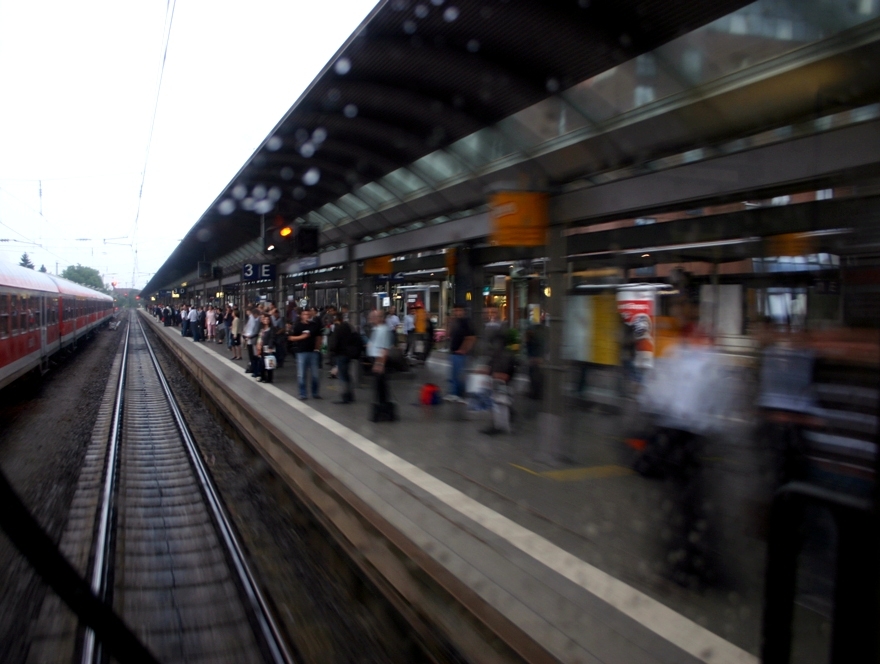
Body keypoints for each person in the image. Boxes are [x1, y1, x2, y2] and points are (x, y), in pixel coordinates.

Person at [367, 309, 395, 420]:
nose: (372, 319)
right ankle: (382, 407)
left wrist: (379, 364)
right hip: (376, 360)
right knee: (379, 388)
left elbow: (384, 349)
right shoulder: (377, 329)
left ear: (380, 318)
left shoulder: (383, 330)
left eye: (374, 317)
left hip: (379, 361)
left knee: (381, 387)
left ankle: (383, 410)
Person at [445, 304, 475, 403]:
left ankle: (462, 395)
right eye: (455, 310)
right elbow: (448, 334)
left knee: (460, 375)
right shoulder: (454, 322)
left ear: (463, 311)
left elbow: (471, 337)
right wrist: (448, 323)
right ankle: (454, 393)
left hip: (460, 353)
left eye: (459, 310)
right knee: (454, 374)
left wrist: (464, 349)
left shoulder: (466, 322)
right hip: (454, 351)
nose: (457, 313)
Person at [329, 312, 360, 403]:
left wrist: (332, 351)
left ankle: (345, 396)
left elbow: (334, 343)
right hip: (349, 354)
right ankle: (350, 395)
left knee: (343, 376)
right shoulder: (349, 327)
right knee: (347, 375)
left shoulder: (338, 329)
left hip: (341, 354)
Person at [289, 309, 319, 400]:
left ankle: (315, 393)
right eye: (305, 314)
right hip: (301, 352)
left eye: (308, 314)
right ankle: (303, 394)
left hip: (313, 352)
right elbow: (291, 337)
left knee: (315, 374)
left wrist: (318, 348)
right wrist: (302, 337)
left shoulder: (314, 325)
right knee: (301, 374)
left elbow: (318, 336)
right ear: (301, 316)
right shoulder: (298, 326)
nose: (307, 316)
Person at [256, 313, 276, 383]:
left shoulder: (271, 329)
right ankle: (263, 377)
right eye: (265, 319)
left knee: (268, 363)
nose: (266, 320)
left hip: (268, 348)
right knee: (262, 363)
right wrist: (258, 345)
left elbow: (272, 338)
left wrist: (270, 347)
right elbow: (260, 337)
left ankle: (269, 378)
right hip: (261, 347)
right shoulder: (262, 329)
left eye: (268, 319)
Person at [243, 308, 261, 375]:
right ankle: (253, 368)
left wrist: (249, 336)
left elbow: (255, 331)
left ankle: (255, 369)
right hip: (252, 339)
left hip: (254, 340)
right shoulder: (256, 320)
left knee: (254, 355)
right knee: (252, 355)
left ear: (256, 314)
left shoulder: (258, 320)